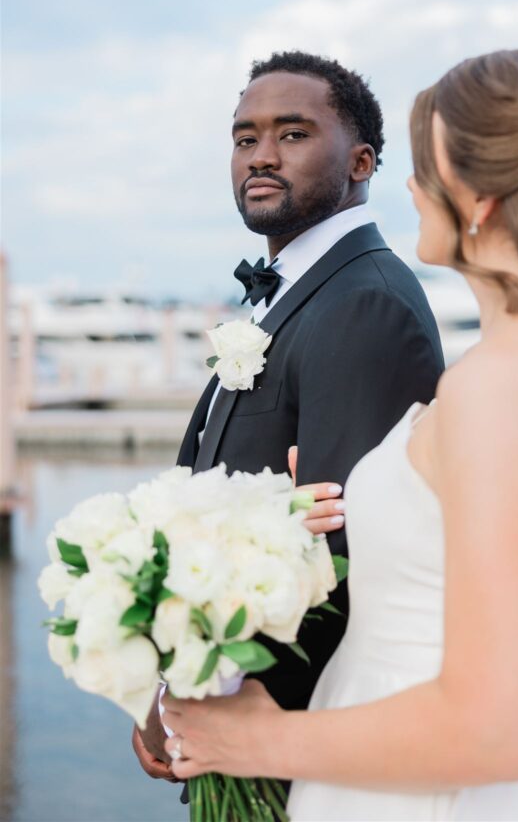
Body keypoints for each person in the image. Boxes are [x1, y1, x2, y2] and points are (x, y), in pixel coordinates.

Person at [162, 48, 518, 821]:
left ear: (482, 197)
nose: (407, 189)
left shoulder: (500, 385)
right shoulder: (517, 367)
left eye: (427, 170)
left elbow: (498, 731)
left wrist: (253, 744)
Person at [132, 50, 444, 783]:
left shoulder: (363, 304)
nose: (261, 156)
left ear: (361, 162)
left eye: (293, 134)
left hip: (292, 747)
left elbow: (347, 566)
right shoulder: (290, 295)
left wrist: (220, 719)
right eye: (245, 139)